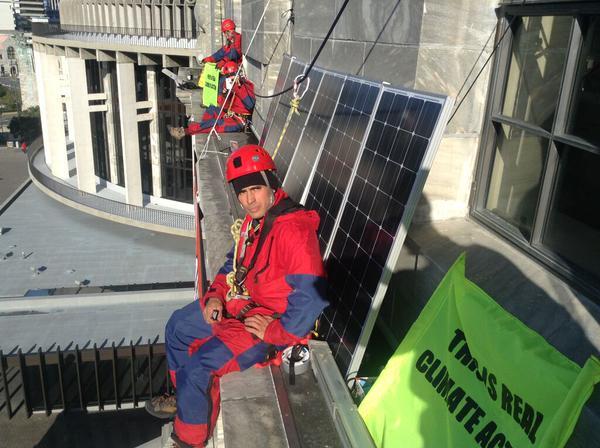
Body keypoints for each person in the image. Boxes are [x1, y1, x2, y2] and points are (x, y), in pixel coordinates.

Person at [146, 145, 328, 447]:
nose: (248, 200)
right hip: (240, 304)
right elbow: (235, 261)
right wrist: (216, 294)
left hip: (264, 324)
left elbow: (311, 296)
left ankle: (190, 440)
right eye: (242, 193)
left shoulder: (292, 229)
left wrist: (277, 331)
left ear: (271, 184)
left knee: (198, 369)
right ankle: (187, 401)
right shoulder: (255, 222)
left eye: (255, 189)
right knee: (177, 326)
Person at [168, 61, 255, 139]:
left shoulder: (242, 86)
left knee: (213, 122)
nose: (228, 79)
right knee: (211, 111)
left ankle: (186, 131)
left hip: (238, 119)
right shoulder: (234, 85)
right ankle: (189, 130)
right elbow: (229, 102)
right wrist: (226, 93)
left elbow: (250, 104)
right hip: (232, 115)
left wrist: (234, 87)